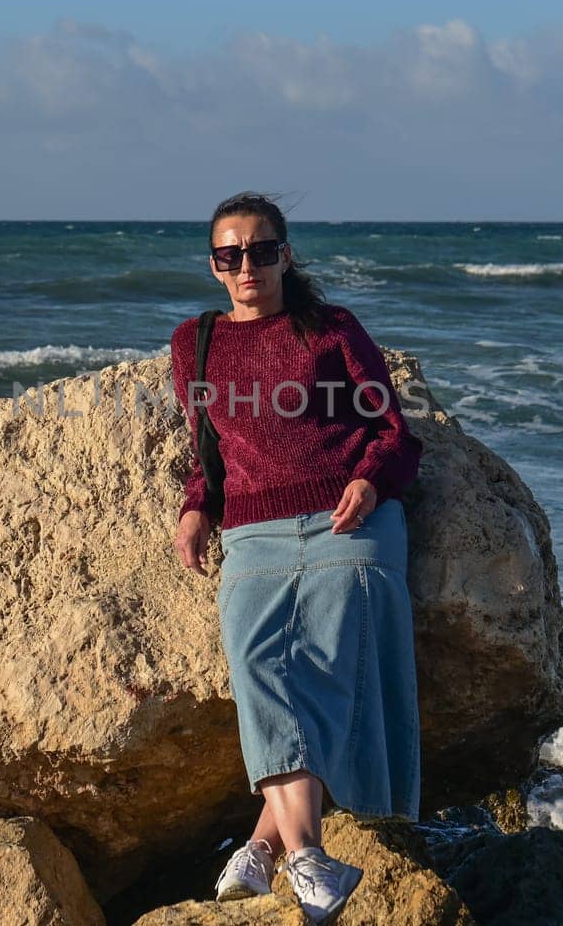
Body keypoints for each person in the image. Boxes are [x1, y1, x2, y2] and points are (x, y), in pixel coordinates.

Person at [169, 191, 424, 924]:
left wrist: (370, 485)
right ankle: (309, 859)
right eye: (230, 254)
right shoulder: (197, 343)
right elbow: (206, 452)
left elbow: (392, 431)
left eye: (260, 250)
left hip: (351, 524)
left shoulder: (333, 327)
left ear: (285, 254)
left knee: (323, 661)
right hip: (253, 530)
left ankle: (276, 849)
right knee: (256, 664)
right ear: (214, 266)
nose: (246, 265)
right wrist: (195, 509)